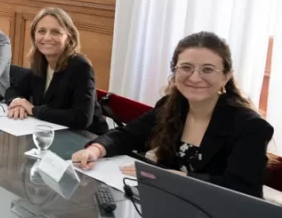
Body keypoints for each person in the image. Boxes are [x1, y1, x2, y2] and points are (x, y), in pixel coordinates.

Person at [72, 32, 273, 198]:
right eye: (186, 67)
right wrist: (95, 150)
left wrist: (166, 177)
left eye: (207, 69)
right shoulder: (171, 106)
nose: (195, 77)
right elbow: (128, 135)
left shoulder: (250, 126)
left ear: (226, 76)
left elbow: (240, 189)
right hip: (171, 206)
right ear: (175, 72)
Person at [4, 7, 107, 133]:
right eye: (41, 31)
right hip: (52, 130)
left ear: (69, 37)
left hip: (86, 137)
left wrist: (33, 110)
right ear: (34, 36)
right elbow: (14, 90)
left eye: (55, 32)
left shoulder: (81, 67)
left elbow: (81, 118)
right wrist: (18, 103)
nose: (47, 38)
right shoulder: (40, 62)